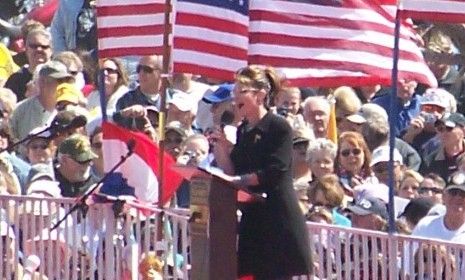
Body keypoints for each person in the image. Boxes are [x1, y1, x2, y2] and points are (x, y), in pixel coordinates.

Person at [212, 65, 312, 279]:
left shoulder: (279, 127)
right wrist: (221, 149)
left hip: (277, 219)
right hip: (253, 220)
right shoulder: (243, 130)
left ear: (260, 95)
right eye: (234, 91)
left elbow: (275, 170)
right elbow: (234, 170)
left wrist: (238, 180)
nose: (235, 98)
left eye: (241, 91)